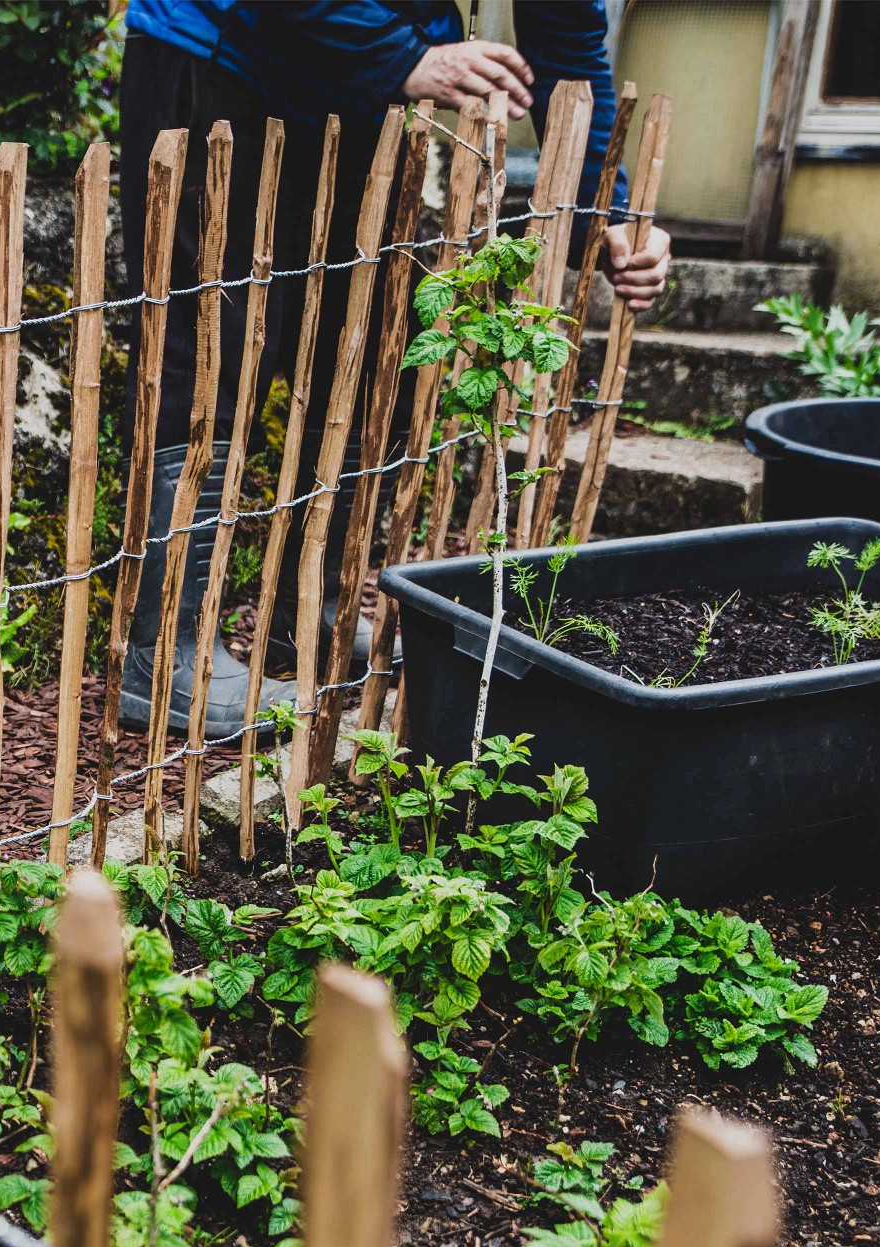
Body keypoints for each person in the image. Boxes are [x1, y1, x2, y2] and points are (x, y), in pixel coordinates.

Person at [115, 0, 672, 739]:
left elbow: (567, 40)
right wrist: (401, 56)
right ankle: (164, 657)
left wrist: (607, 216)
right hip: (222, 60)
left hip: (349, 94)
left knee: (361, 340)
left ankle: (306, 615)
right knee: (212, 346)